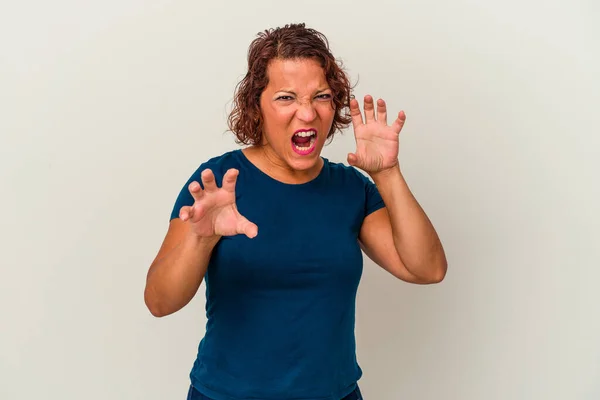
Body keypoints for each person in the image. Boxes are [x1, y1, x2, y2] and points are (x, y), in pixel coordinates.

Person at [144, 23, 447, 400]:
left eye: (320, 96)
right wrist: (201, 240)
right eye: (286, 97)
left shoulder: (351, 189)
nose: (306, 114)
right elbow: (159, 301)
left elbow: (427, 269)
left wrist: (387, 174)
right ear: (257, 105)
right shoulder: (218, 183)